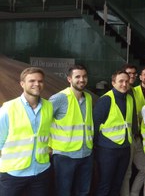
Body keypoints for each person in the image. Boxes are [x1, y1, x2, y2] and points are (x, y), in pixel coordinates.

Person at [0, 67, 53, 196]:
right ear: (22, 84)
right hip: (13, 173)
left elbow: (49, 132)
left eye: (40, 81)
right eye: (32, 81)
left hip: (41, 171)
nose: (37, 84)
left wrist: (51, 148)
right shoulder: (8, 108)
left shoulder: (49, 106)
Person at [49, 65, 94, 196]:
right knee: (64, 192)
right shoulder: (59, 98)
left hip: (86, 153)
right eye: (77, 77)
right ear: (69, 79)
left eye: (84, 76)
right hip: (65, 156)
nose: (82, 79)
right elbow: (42, 120)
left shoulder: (88, 97)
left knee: (83, 191)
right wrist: (48, 145)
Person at [93, 70, 135, 196]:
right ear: (113, 83)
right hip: (107, 150)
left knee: (118, 184)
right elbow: (95, 125)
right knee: (105, 184)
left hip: (125, 148)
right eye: (121, 81)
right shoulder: (105, 100)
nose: (124, 84)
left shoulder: (129, 98)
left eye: (127, 81)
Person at [124, 67, 145, 196]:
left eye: (133, 73)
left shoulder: (135, 92)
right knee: (128, 172)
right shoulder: (123, 93)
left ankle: (133, 193)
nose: (131, 76)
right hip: (127, 137)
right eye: (128, 73)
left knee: (144, 170)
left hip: (138, 137)